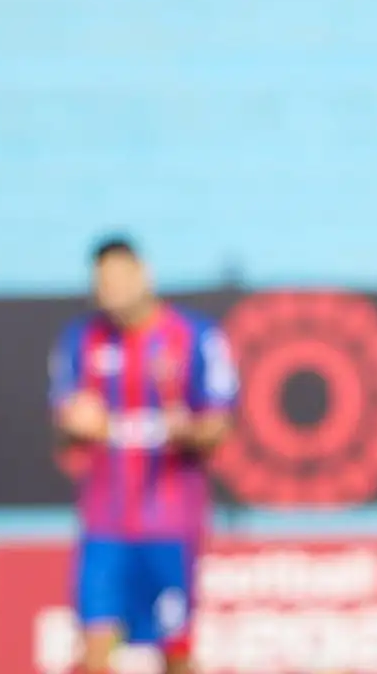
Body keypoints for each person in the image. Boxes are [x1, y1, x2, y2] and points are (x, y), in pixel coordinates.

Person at [48, 236, 238, 674]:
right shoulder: (81, 341)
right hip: (104, 523)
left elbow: (219, 427)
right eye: (102, 283)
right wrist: (73, 425)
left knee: (176, 653)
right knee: (94, 651)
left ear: (143, 275)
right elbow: (64, 431)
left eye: (119, 279)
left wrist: (186, 430)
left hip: (170, 524)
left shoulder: (195, 337)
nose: (111, 291)